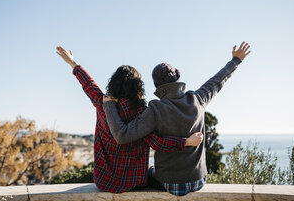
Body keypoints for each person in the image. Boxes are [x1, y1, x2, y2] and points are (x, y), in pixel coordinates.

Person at [102, 42, 251, 196]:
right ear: (178, 78)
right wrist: (235, 60)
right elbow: (218, 81)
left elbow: (122, 135)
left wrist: (109, 106)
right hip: (198, 180)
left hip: (169, 183)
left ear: (156, 85)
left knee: (147, 174)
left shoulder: (155, 109)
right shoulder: (198, 99)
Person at [56, 46, 202, 193]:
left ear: (113, 83)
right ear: (138, 88)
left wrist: (73, 63)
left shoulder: (103, 104)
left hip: (104, 182)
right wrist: (187, 142)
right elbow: (157, 142)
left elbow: (88, 84)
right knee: (154, 172)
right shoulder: (143, 113)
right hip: (134, 182)